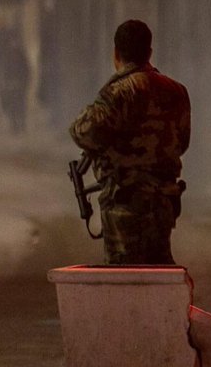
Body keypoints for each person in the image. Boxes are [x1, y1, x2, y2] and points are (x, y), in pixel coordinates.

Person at [69, 19, 191, 265]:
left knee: (125, 285)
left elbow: (81, 132)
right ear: (149, 52)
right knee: (160, 281)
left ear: (116, 53)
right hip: (163, 206)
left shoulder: (117, 93)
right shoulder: (176, 91)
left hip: (125, 207)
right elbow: (182, 142)